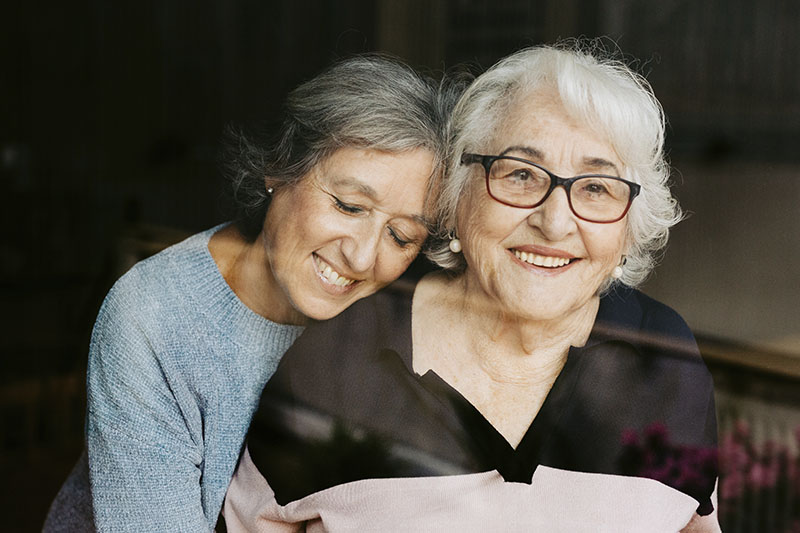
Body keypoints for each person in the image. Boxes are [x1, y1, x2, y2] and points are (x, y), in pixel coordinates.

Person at [223, 43, 720, 532]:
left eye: (595, 187)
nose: (554, 222)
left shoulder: (667, 362)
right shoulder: (340, 358)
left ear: (629, 227)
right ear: (456, 196)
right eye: (521, 174)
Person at [43, 54, 457, 532]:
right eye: (348, 205)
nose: (363, 259)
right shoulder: (154, 314)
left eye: (402, 236)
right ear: (280, 167)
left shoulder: (395, 325)